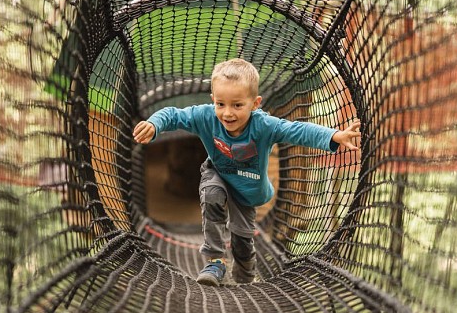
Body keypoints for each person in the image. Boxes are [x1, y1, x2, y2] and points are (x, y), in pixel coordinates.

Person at [133, 58, 361, 286]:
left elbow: (297, 130)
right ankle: (216, 261)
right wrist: (154, 125)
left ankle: (244, 274)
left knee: (242, 240)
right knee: (211, 193)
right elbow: (174, 114)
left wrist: (334, 136)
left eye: (237, 105)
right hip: (218, 174)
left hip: (248, 190)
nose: (227, 113)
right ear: (213, 100)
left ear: (255, 104)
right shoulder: (206, 116)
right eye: (220, 104)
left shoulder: (264, 126)